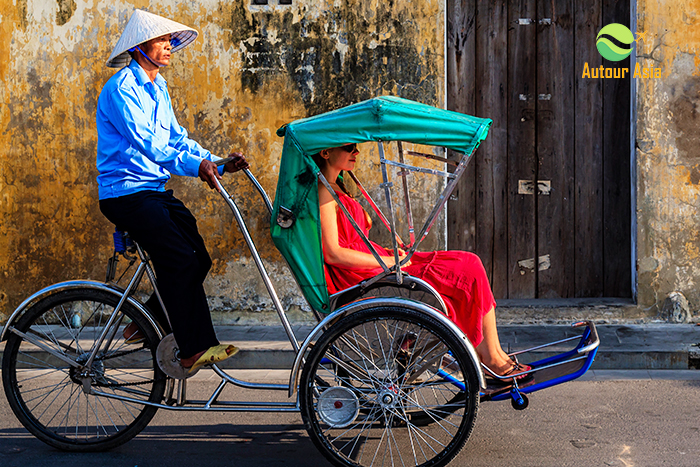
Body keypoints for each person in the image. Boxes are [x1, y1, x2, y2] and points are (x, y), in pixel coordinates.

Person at [96, 10, 248, 373]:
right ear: (138, 48)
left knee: (199, 257)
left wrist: (218, 161)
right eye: (161, 40)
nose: (168, 47)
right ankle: (193, 349)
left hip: (152, 189)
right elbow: (149, 143)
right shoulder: (121, 89)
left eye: (168, 41)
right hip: (125, 193)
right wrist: (196, 167)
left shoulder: (158, 86)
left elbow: (175, 138)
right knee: (178, 259)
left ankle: (146, 320)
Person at [314, 143, 530, 382]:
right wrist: (388, 262)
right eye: (349, 148)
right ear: (325, 152)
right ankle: (491, 359)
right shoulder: (324, 191)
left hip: (377, 263)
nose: (356, 152)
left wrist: (388, 254)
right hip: (363, 275)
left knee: (470, 263)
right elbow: (333, 253)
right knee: (466, 267)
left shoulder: (338, 187)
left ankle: (494, 354)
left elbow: (353, 239)